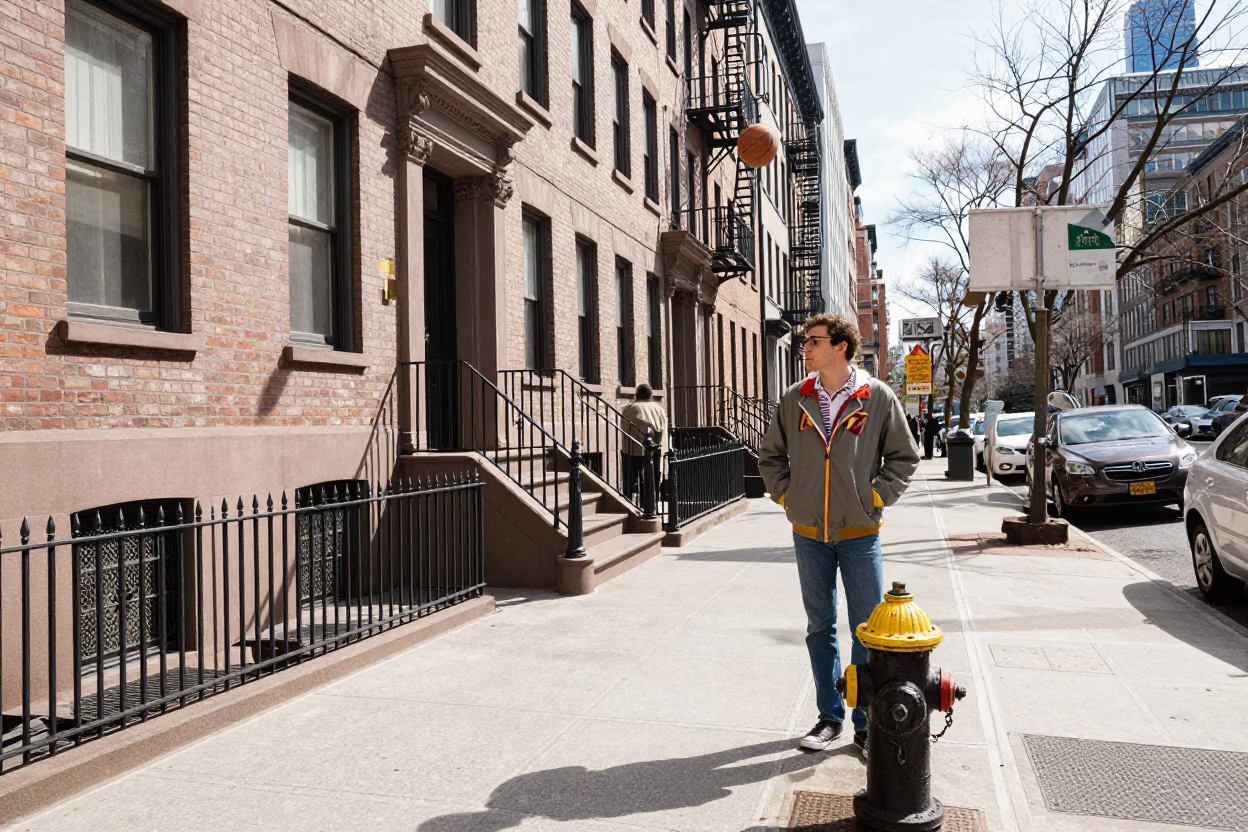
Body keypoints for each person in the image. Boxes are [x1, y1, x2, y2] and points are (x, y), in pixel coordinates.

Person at [758, 313, 920, 757]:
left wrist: (876, 497)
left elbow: (904, 456)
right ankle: (830, 717)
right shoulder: (796, 399)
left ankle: (867, 722)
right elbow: (770, 457)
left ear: (841, 346)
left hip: (859, 531)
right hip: (809, 531)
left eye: (813, 341)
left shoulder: (877, 397)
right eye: (805, 342)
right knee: (820, 628)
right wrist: (789, 498)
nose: (805, 348)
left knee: (866, 630)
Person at [620, 383, 667, 502]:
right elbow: (663, 428)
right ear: (650, 394)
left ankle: (629, 502)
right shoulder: (659, 409)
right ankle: (652, 504)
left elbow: (624, 428)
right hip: (655, 448)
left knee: (631, 478)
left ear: (637, 394)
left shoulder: (631, 408)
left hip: (633, 449)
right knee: (652, 477)